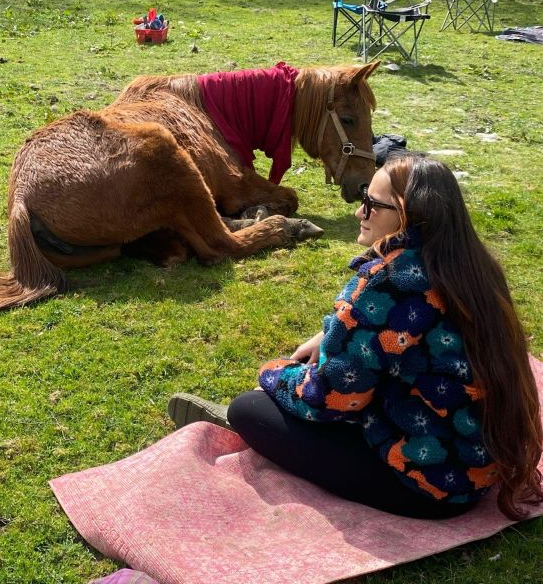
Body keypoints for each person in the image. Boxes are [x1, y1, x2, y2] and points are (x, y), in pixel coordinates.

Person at [169, 153, 542, 520]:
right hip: (479, 461)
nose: (358, 213)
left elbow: (329, 398)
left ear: (409, 216)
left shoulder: (389, 280)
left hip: (429, 486)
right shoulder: (470, 264)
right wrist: (331, 332)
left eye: (371, 204)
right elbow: (400, 333)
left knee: (250, 409)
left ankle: (256, 429)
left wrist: (275, 374)